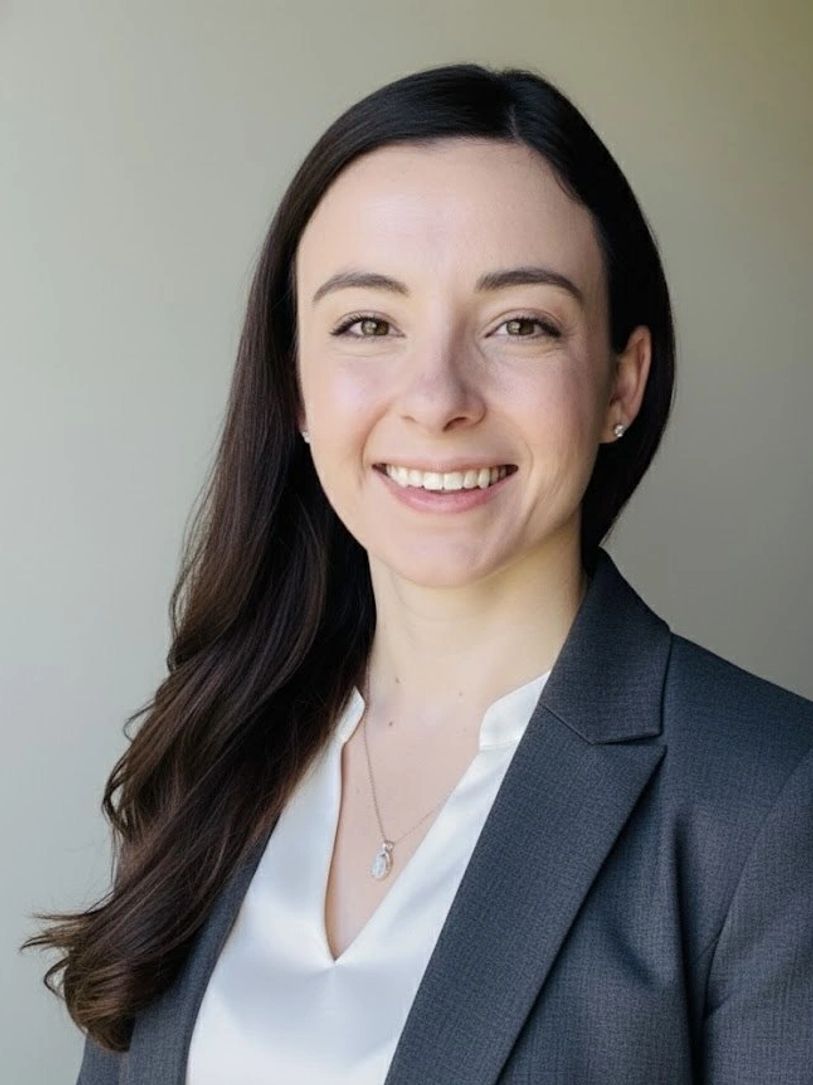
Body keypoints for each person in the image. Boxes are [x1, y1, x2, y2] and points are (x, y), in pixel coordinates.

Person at [24, 62, 813, 1084]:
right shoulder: (212, 743)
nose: (438, 397)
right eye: (369, 323)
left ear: (622, 382)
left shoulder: (768, 800)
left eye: (520, 323)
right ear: (295, 382)